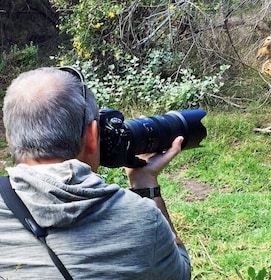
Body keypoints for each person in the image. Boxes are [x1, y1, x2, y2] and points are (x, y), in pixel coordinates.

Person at [0, 66, 191, 279]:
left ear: (9, 138)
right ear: (92, 136)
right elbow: (179, 273)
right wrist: (146, 184)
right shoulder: (142, 219)